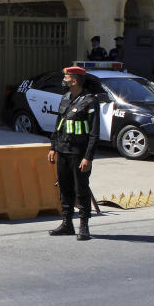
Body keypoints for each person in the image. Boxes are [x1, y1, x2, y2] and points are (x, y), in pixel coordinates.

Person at [47, 66, 101, 241]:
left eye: (67, 77)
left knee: (81, 189)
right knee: (65, 189)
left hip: (79, 153)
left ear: (75, 80)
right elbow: (58, 126)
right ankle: (66, 223)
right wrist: (53, 147)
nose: (65, 80)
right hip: (63, 151)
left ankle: (83, 226)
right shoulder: (64, 98)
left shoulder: (89, 101)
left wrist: (88, 157)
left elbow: (94, 133)